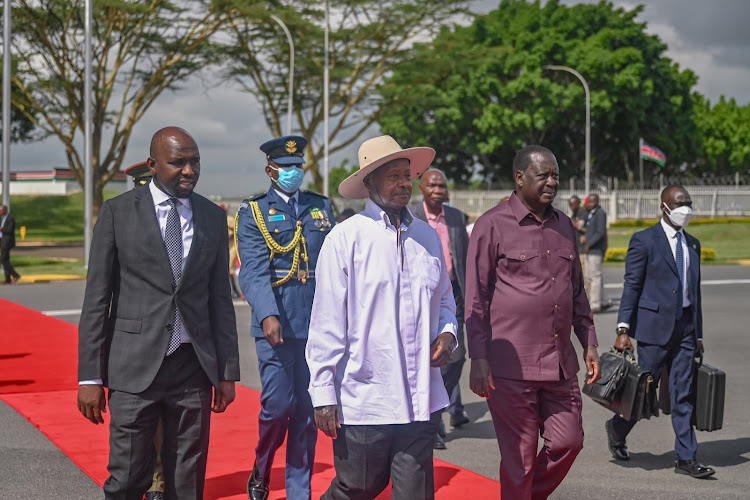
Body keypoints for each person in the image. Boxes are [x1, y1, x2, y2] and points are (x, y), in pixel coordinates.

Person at [77, 126, 240, 499]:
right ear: (152, 165)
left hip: (192, 368)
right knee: (128, 479)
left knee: (186, 482)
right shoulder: (118, 213)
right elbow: (97, 300)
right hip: (133, 369)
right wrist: (90, 377)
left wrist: (226, 371)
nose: (189, 170)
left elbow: (219, 300)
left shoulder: (212, 217)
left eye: (194, 161)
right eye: (178, 162)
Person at [306, 135, 458, 500]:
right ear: (369, 182)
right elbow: (326, 323)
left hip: (421, 395)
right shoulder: (346, 239)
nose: (405, 183)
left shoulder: (427, 238)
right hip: (366, 397)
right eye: (393, 176)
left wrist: (448, 333)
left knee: (414, 493)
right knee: (357, 487)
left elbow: (446, 301)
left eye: (407, 175)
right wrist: (323, 392)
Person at [465, 145, 601, 500]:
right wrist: (478, 358)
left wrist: (589, 341)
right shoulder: (491, 225)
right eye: (544, 175)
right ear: (520, 177)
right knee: (519, 459)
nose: (552, 182)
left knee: (569, 441)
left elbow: (576, 291)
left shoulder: (564, 226)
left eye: (556, 175)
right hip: (511, 366)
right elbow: (475, 298)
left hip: (559, 362)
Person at [235, 135, 334, 500]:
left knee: (308, 412)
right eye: (286, 167)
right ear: (270, 170)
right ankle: (262, 466)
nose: (294, 173)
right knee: (278, 408)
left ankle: (298, 491)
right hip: (275, 324)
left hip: (317, 324)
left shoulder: (321, 208)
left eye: (298, 167)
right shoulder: (254, 211)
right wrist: (267, 314)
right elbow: (254, 271)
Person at [606, 186, 715, 479]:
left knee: (683, 395)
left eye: (689, 203)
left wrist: (699, 334)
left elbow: (695, 293)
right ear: (664, 207)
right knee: (641, 391)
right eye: (680, 204)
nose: (686, 209)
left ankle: (686, 458)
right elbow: (632, 285)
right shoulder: (644, 240)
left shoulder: (693, 244)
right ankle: (616, 429)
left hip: (686, 330)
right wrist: (623, 328)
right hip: (654, 330)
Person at [411, 168, 471, 451]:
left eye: (442, 186)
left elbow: (466, 258)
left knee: (456, 357)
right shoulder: (410, 214)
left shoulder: (457, 218)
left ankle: (434, 415)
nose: (438, 190)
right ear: (421, 188)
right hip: (420, 299)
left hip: (454, 296)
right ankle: (430, 423)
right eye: (432, 185)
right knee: (424, 361)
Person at [123, 160, 166, 500]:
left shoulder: (175, 225)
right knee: (138, 426)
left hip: (170, 341)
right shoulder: (122, 222)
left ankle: (159, 479)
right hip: (135, 343)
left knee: (166, 425)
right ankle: (146, 477)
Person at [582, 194, 612, 313]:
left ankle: (595, 304)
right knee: (592, 276)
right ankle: (605, 300)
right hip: (590, 249)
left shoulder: (600, 213)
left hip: (595, 249)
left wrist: (589, 243)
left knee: (594, 277)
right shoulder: (592, 213)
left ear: (596, 202)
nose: (588, 204)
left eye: (591, 202)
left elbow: (600, 232)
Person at [0, 205, 21, 284]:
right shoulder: (3, 218)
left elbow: (9, 230)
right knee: (6, 260)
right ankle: (7, 279)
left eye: (0, 210)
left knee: (3, 260)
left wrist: (2, 229)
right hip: (3, 241)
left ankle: (15, 275)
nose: (0, 212)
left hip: (7, 241)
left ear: (5, 210)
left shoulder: (10, 218)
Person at [568, 195, 587, 262]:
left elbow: (590, 229)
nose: (570, 207)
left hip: (582, 247)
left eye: (571, 205)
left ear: (577, 203)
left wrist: (577, 226)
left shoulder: (584, 213)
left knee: (583, 269)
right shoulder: (574, 214)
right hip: (575, 246)